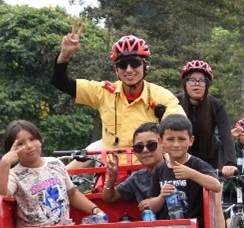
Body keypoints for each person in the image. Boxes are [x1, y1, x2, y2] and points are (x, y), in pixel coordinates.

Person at [50, 23, 185, 149]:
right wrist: (64, 55)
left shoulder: (161, 95)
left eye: (135, 63)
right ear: (116, 70)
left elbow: (179, 123)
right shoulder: (103, 92)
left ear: (146, 66)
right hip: (112, 169)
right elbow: (60, 82)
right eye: (122, 65)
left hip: (150, 170)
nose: (129, 69)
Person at [0, 119, 106, 227]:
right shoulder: (14, 175)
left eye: (32, 139)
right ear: (11, 150)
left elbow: (71, 194)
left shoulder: (55, 164)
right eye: (21, 143)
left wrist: (95, 210)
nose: (29, 146)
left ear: (40, 140)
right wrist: (5, 163)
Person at [145, 114, 223, 228]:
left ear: (191, 141)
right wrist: (162, 196)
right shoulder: (159, 169)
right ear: (161, 141)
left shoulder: (197, 165)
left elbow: (216, 186)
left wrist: (192, 174)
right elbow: (152, 206)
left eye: (182, 139)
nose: (176, 144)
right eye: (170, 139)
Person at [175, 60, 237, 176]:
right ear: (185, 83)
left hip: (210, 158)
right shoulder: (174, 101)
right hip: (182, 157)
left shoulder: (216, 105)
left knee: (215, 189)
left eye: (202, 80)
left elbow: (226, 135)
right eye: (192, 80)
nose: (197, 84)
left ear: (207, 85)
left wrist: (230, 162)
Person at [102, 121, 162, 214]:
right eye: (139, 147)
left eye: (151, 145)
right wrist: (112, 177)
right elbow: (109, 197)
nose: (145, 150)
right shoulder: (137, 178)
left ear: (163, 144)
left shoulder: (176, 170)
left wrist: (154, 202)